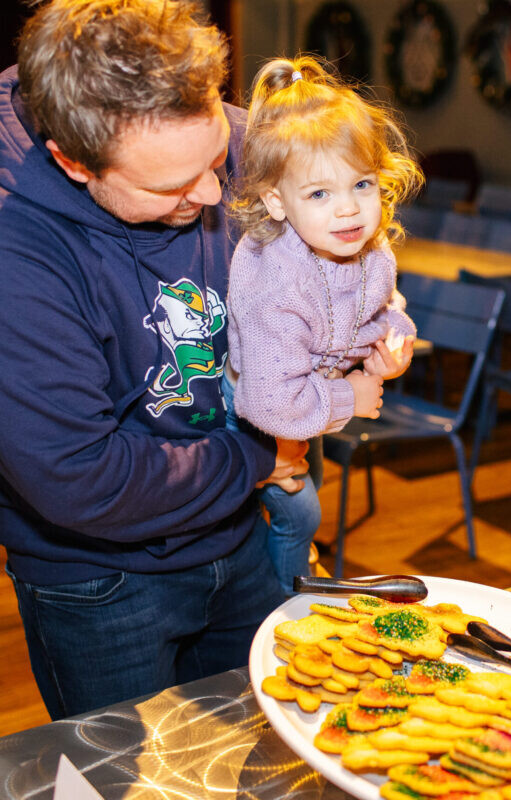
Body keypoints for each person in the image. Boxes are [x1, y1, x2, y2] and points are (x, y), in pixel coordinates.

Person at [0, 0, 309, 721]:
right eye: (171, 187)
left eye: (214, 162)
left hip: (240, 536)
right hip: (98, 584)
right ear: (72, 163)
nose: (211, 195)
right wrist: (263, 453)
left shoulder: (232, 137)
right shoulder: (18, 248)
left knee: (265, 752)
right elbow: (79, 479)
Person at [223, 56, 421, 594]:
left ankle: (289, 566)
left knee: (313, 491)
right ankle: (284, 600)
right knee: (301, 515)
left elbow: (382, 305)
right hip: (257, 402)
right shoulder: (277, 282)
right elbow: (267, 403)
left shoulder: (368, 247)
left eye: (361, 185)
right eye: (319, 194)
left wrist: (393, 340)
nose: (349, 211)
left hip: (308, 393)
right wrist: (349, 397)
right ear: (276, 202)